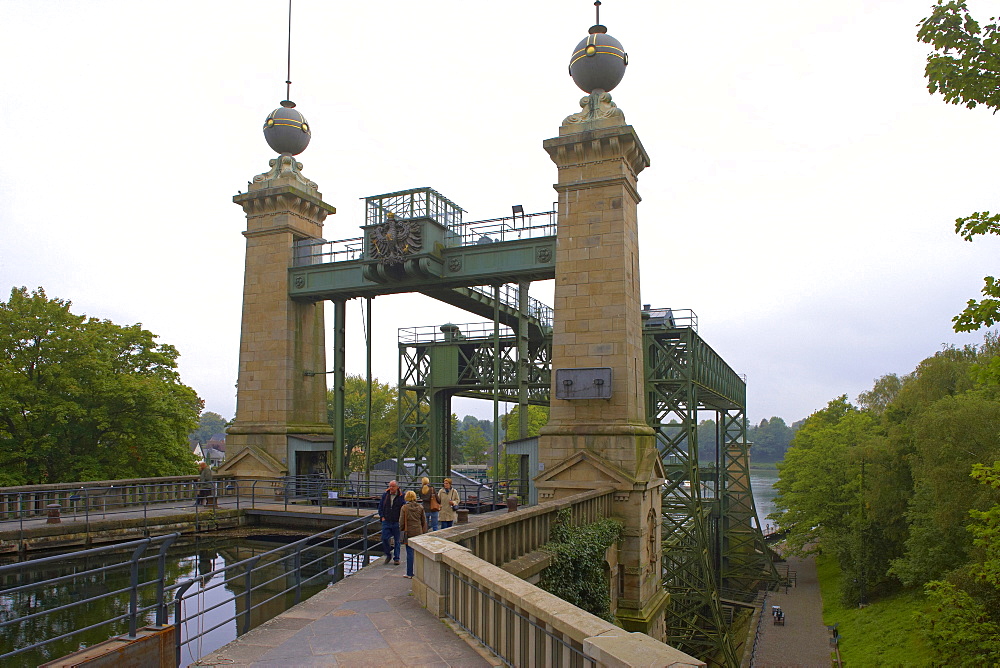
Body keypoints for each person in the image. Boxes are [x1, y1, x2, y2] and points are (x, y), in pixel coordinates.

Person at [399, 490, 427, 578]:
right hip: (418, 531)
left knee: (409, 553)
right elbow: (424, 521)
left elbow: (401, 522)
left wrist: (400, 530)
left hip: (408, 532)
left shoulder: (404, 508)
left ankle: (409, 573)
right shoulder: (420, 507)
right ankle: (420, 573)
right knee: (418, 552)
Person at [377, 480, 405, 565]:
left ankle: (396, 558)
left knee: (397, 541)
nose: (391, 488)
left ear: (397, 487)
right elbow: (380, 506)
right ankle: (388, 554)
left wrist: (401, 520)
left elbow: (404, 508)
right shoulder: (385, 495)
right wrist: (382, 517)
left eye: (393, 486)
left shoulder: (401, 496)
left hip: (396, 521)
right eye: (390, 486)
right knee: (384, 538)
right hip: (387, 521)